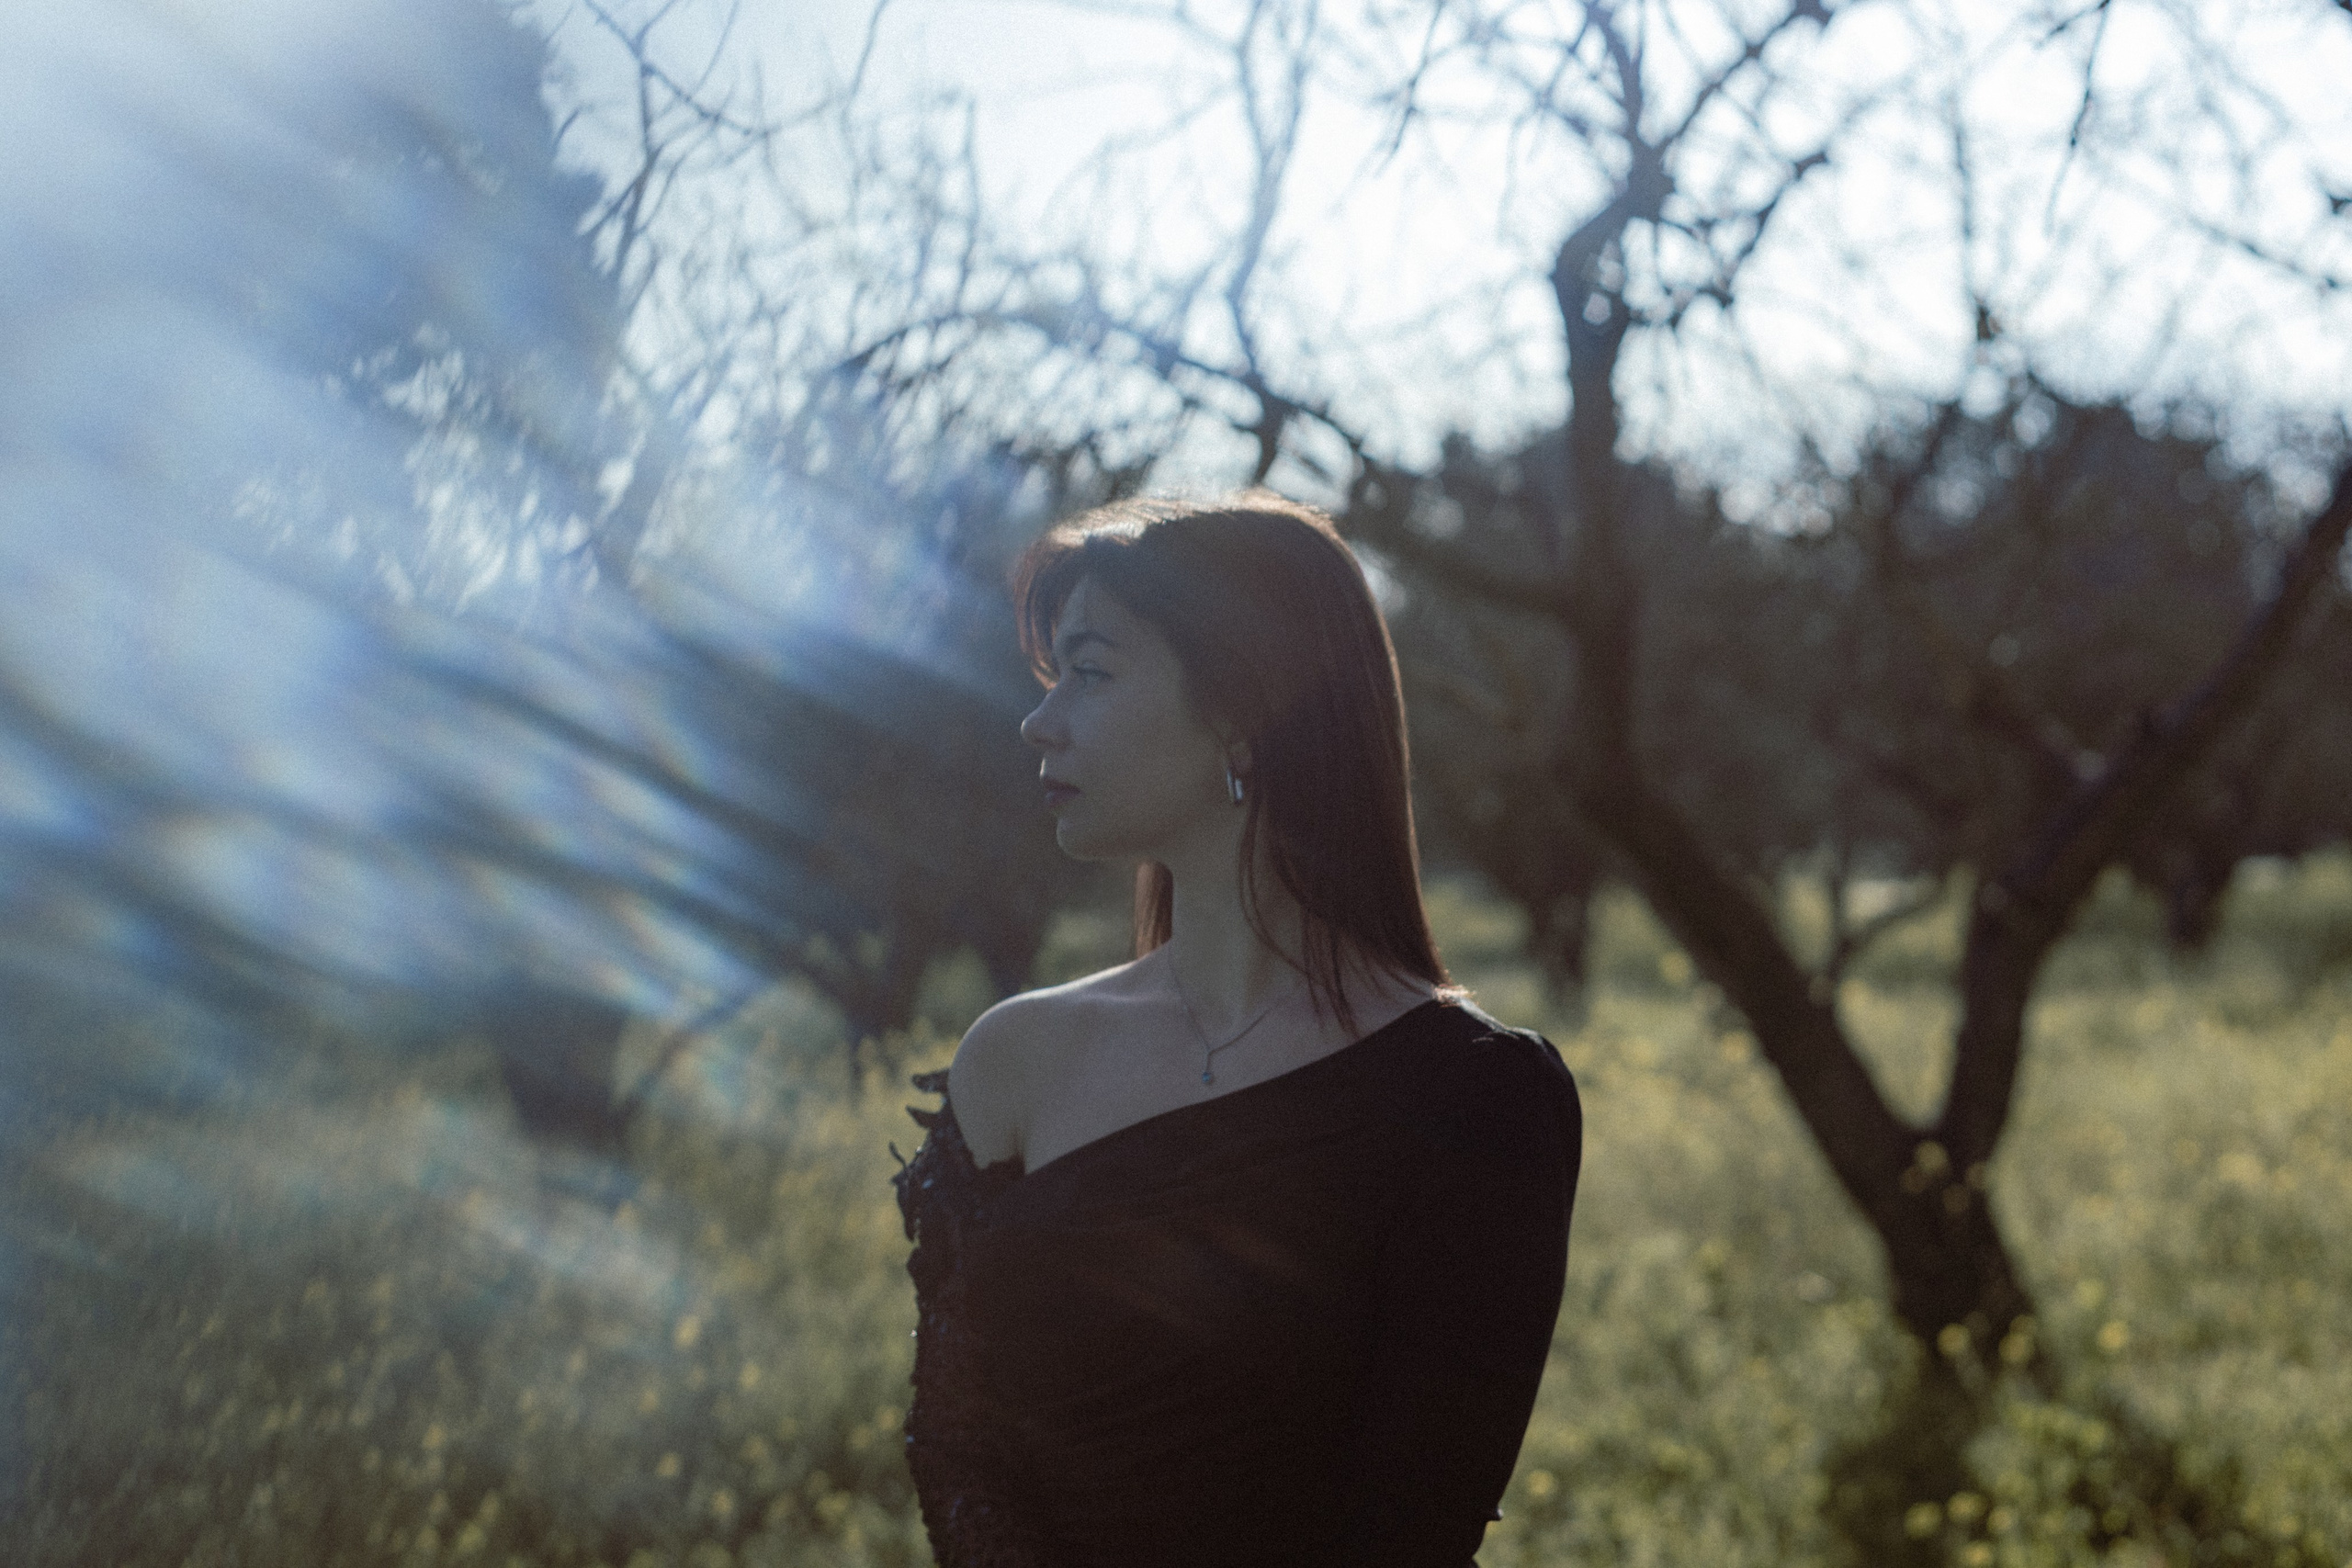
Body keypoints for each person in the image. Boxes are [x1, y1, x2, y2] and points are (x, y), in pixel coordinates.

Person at [890, 492, 1582, 1568]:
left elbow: (1412, 1522)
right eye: (1050, 676)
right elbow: (959, 1447)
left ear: (1244, 712)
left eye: (1090, 673)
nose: (1040, 721)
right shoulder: (1013, 1061)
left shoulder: (1479, 1099)